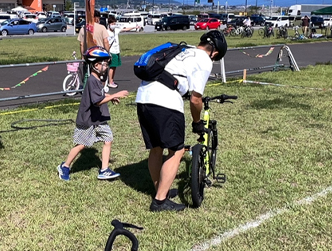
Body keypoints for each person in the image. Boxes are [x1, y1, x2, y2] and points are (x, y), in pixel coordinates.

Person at [135, 30, 228, 212]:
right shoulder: (204, 60)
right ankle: (160, 201)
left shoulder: (183, 50)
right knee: (176, 151)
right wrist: (196, 122)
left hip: (143, 98)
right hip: (165, 102)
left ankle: (160, 190)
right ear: (215, 53)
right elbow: (195, 99)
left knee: (156, 148)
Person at [57, 46, 129, 181]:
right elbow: (97, 101)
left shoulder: (97, 80)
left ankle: (104, 170)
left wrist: (111, 96)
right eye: (105, 64)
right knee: (81, 144)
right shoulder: (91, 81)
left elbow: (100, 94)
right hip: (88, 119)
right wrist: (116, 94)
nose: (107, 66)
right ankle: (65, 166)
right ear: (96, 65)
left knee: (108, 139)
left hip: (98, 118)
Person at [106, 15, 138, 89]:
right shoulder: (107, 32)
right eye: (112, 24)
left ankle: (112, 80)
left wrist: (134, 27)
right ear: (109, 24)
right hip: (112, 51)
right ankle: (110, 82)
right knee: (112, 67)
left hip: (117, 50)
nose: (114, 25)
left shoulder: (116, 30)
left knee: (115, 67)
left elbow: (125, 29)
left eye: (115, 24)